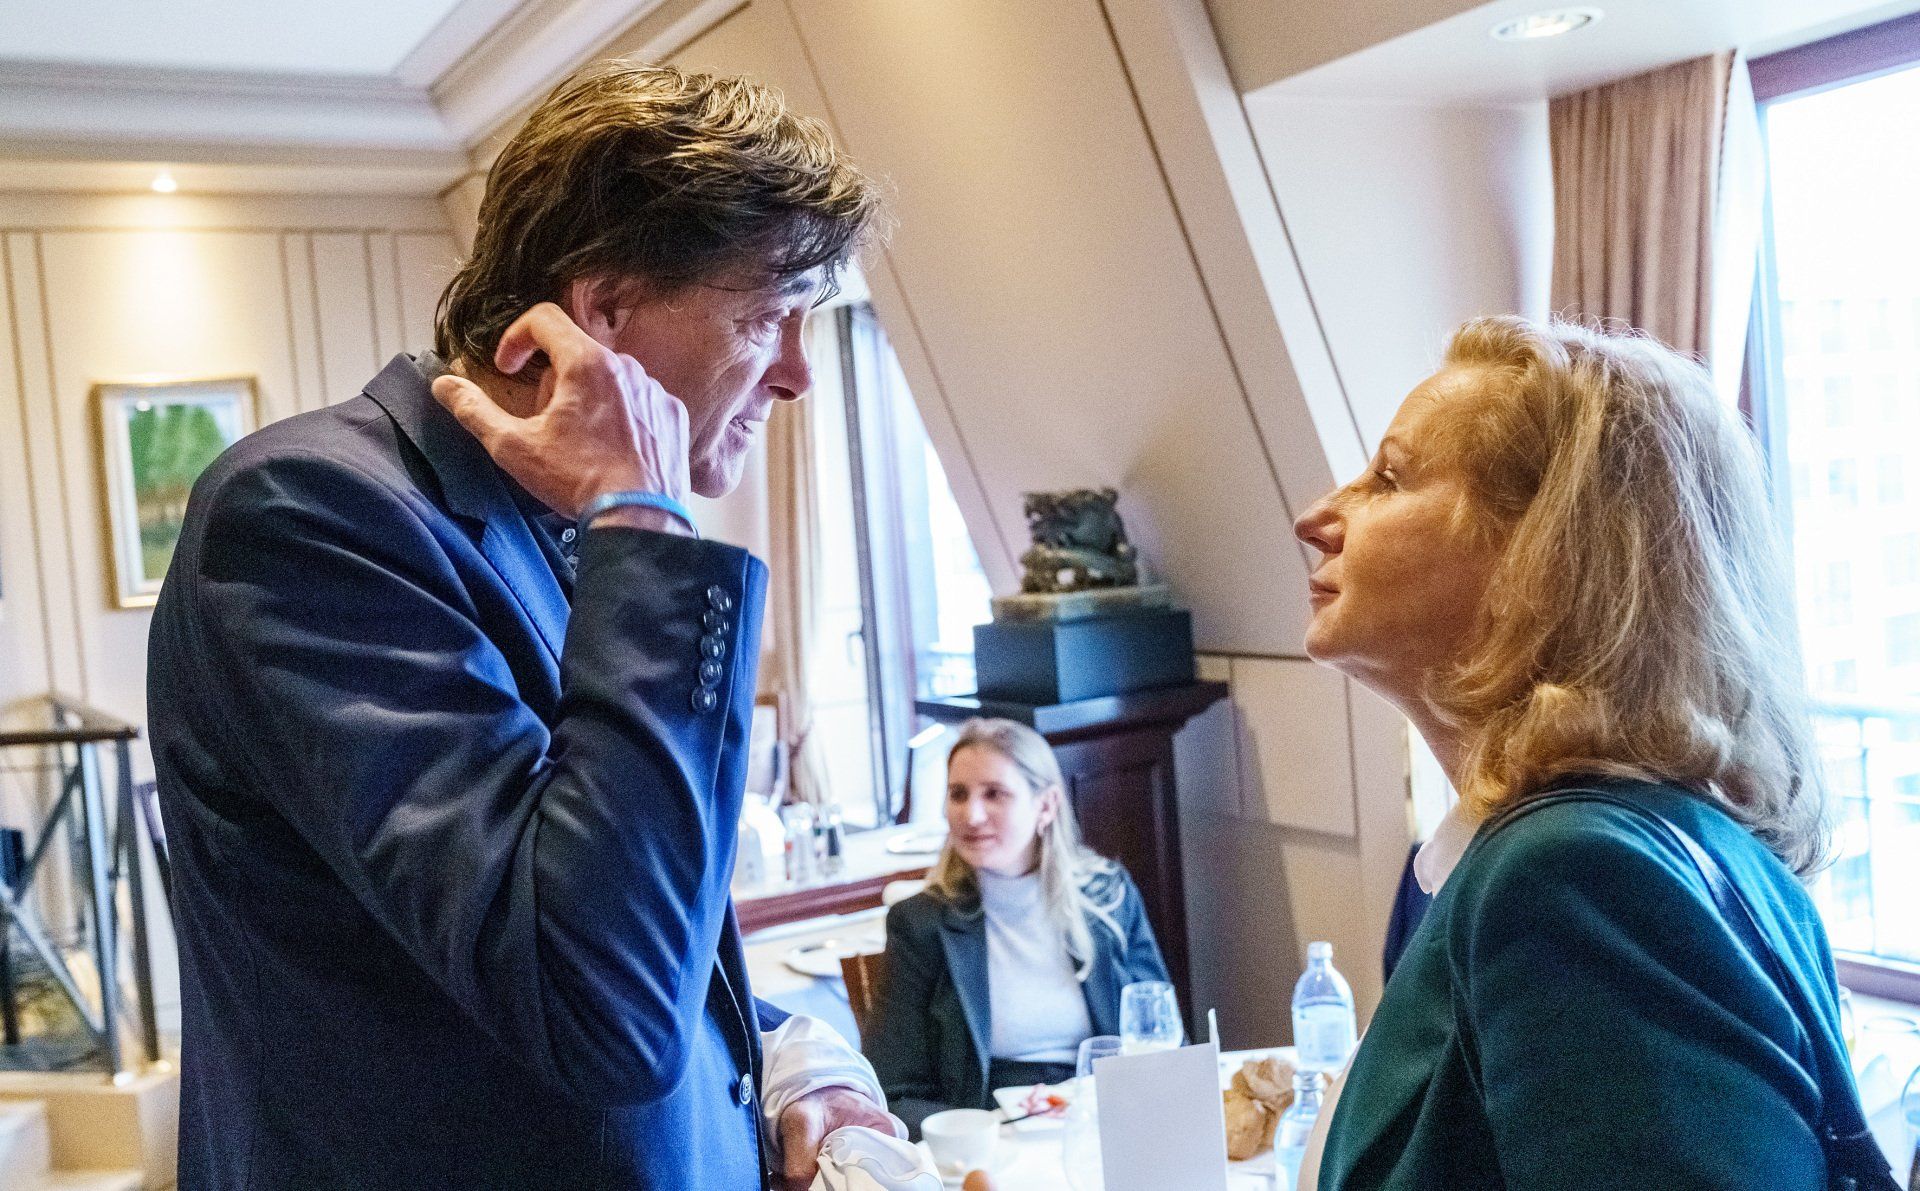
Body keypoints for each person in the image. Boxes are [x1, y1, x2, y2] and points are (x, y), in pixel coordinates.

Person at [148, 62, 898, 1191]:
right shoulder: (308, 513)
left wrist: (791, 1059)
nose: (797, 373)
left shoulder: (559, 536)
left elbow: (631, 920)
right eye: (768, 318)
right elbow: (598, 1006)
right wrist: (650, 524)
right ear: (604, 314)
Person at [1289, 316, 1853, 1189]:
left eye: (1389, 478)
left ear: (1542, 554)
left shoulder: (1573, 874)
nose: (1318, 517)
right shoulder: (1602, 844)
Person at [863, 718, 1171, 1138]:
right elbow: (893, 1093)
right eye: (958, 794)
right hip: (988, 1135)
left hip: (1110, 1121)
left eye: (994, 794)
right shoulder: (920, 924)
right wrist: (982, 1133)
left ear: (1046, 806)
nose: (971, 815)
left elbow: (1161, 1038)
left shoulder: (1109, 896)